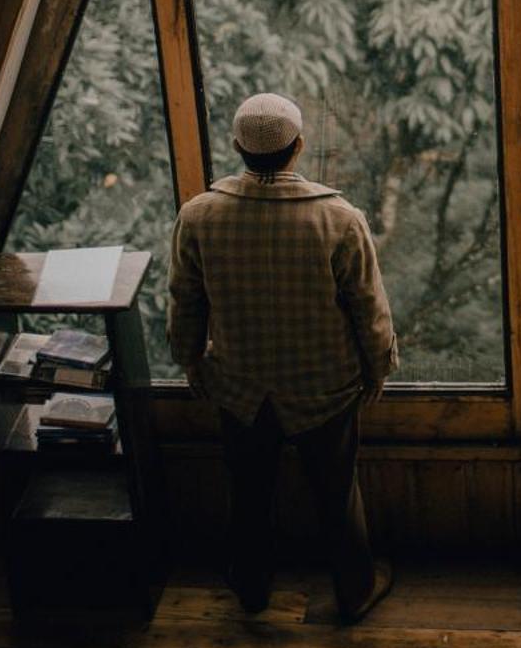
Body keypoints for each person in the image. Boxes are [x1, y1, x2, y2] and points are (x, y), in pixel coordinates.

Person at [168, 92, 399, 620]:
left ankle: (251, 588)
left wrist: (190, 362)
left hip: (240, 384)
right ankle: (353, 590)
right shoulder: (339, 219)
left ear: (236, 147)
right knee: (337, 494)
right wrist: (377, 367)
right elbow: (369, 307)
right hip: (324, 387)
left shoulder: (199, 215)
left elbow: (186, 299)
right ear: (298, 147)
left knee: (248, 493)